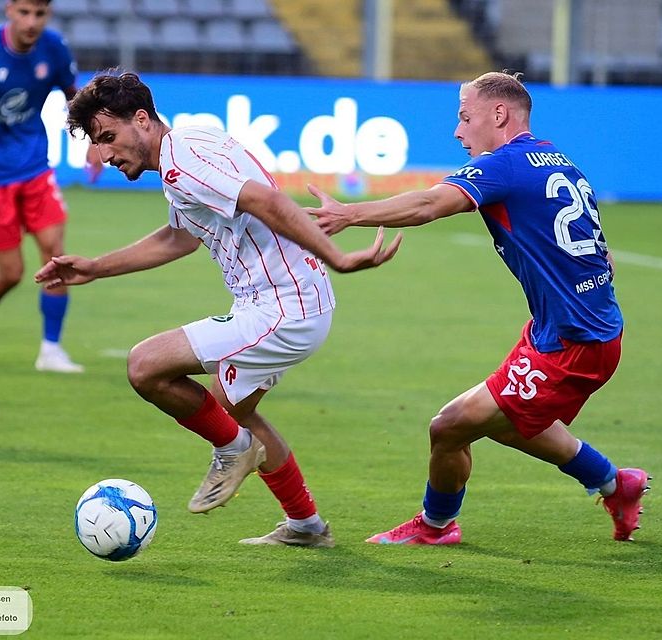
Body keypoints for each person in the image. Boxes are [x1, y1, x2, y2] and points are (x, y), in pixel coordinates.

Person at [35, 70, 401, 547]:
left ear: (141, 119)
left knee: (146, 366)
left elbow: (267, 201)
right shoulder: (188, 146)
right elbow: (178, 238)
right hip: (289, 301)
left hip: (281, 308)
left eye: (108, 137)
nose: (104, 155)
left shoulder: (181, 165)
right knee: (233, 412)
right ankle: (306, 526)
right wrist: (96, 268)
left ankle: (233, 452)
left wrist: (340, 258)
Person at [310, 71, 649, 545]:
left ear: (499, 114)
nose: (457, 131)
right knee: (507, 424)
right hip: (563, 330)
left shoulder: (505, 164)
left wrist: (350, 213)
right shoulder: (559, 161)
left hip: (574, 344)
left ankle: (436, 526)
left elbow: (429, 204)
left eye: (465, 117)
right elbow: (603, 255)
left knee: (449, 428)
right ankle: (615, 483)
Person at [0, 0, 99, 372]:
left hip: (34, 168)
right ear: (9, 10)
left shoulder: (54, 47)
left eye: (39, 14)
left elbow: (74, 96)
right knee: (11, 273)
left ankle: (51, 350)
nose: (31, 22)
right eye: (24, 12)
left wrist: (95, 138)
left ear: (48, 15)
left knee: (55, 254)